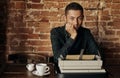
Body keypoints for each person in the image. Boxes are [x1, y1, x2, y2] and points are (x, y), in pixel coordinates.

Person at [50, 2, 101, 73]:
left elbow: (97, 55)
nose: (76, 22)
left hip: (82, 70)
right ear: (65, 18)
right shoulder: (56, 32)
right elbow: (57, 58)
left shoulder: (86, 32)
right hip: (62, 71)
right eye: (72, 18)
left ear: (83, 18)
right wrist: (73, 37)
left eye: (79, 18)